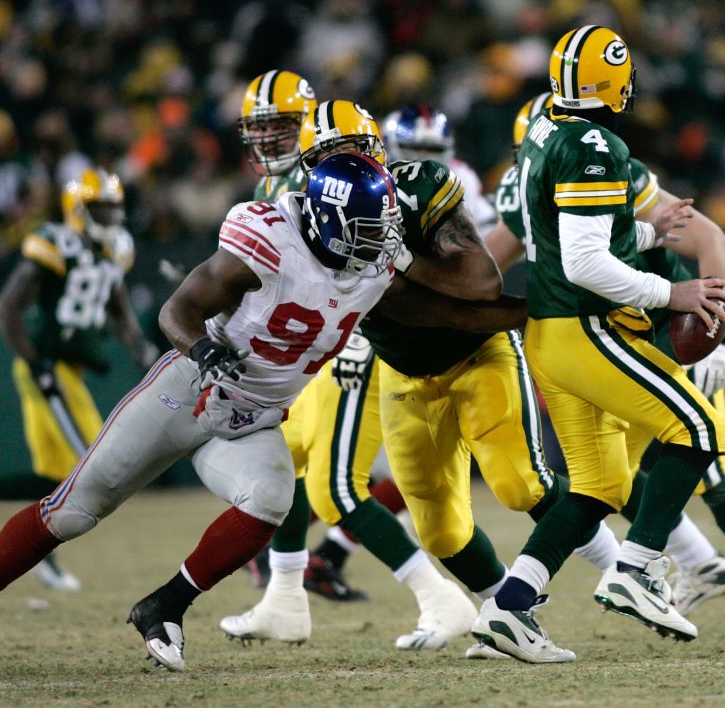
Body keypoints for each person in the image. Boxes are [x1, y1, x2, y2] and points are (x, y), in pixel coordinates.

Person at [0, 153, 414, 679]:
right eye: (365, 228)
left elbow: (434, 302)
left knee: (271, 499)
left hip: (252, 418)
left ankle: (165, 607)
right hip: (186, 390)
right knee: (71, 512)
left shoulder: (377, 270)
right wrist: (204, 351)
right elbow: (175, 311)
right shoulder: (269, 241)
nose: (378, 240)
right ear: (329, 220)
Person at [486, 94, 725, 639]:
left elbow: (709, 239)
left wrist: (720, 336)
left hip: (654, 330)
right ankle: (665, 568)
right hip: (606, 334)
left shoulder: (601, 165)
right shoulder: (557, 169)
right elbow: (542, 257)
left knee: (673, 468)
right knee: (639, 470)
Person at [469, 25, 725, 663]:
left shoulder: (542, 130)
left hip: (551, 334)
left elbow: (567, 241)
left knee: (598, 486)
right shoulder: (593, 143)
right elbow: (586, 263)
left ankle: (509, 608)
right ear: (612, 79)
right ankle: (639, 568)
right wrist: (674, 294)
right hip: (584, 327)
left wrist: (644, 233)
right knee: (700, 430)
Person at [221, 100, 516, 652]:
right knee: (287, 461)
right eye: (330, 155)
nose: (346, 166)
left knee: (336, 486)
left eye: (278, 126)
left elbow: (417, 283)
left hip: (366, 346)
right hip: (324, 349)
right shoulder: (289, 195)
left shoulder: (400, 194)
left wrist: (359, 328)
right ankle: (284, 598)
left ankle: (443, 598)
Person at [0, 168, 160, 592]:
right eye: (99, 208)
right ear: (79, 210)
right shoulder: (55, 243)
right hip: (48, 367)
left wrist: (140, 347)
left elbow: (119, 306)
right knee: (92, 466)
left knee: (56, 479)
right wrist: (37, 364)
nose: (108, 217)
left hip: (70, 372)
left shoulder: (117, 248)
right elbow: (5, 309)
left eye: (113, 209)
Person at [237, 68, 407, 603]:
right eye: (259, 128)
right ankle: (290, 576)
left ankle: (294, 572)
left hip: (350, 338)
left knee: (344, 475)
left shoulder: (340, 178)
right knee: (325, 474)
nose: (267, 139)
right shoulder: (272, 186)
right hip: (314, 349)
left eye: (281, 126)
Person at [381, 103, 499, 235]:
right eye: (414, 148)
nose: (423, 159)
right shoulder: (375, 180)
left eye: (433, 149)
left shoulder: (461, 177)